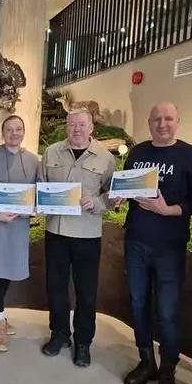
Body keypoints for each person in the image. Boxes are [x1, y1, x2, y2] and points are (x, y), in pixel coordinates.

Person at [120, 102, 192, 384]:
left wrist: (168, 210)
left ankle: (168, 369)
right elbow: (128, 189)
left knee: (168, 311)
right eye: (156, 119)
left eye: (168, 118)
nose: (162, 124)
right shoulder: (138, 153)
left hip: (170, 247)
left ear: (178, 121)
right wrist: (120, 196)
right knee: (138, 304)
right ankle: (147, 361)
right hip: (136, 242)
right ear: (149, 123)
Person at [39, 109, 116, 367]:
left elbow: (112, 194)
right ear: (66, 127)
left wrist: (96, 202)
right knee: (56, 287)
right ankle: (59, 334)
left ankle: (83, 341)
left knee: (86, 291)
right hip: (56, 232)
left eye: (82, 125)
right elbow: (41, 185)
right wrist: (41, 203)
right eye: (72, 124)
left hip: (87, 234)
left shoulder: (105, 157)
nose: (77, 129)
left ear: (91, 127)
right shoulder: (51, 153)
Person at [0, 114, 39, 352]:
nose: (14, 133)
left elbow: (38, 192)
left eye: (18, 129)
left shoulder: (33, 160)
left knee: (10, 270)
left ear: (24, 132)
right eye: (9, 129)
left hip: (18, 227)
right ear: (2, 133)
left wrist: (34, 209)